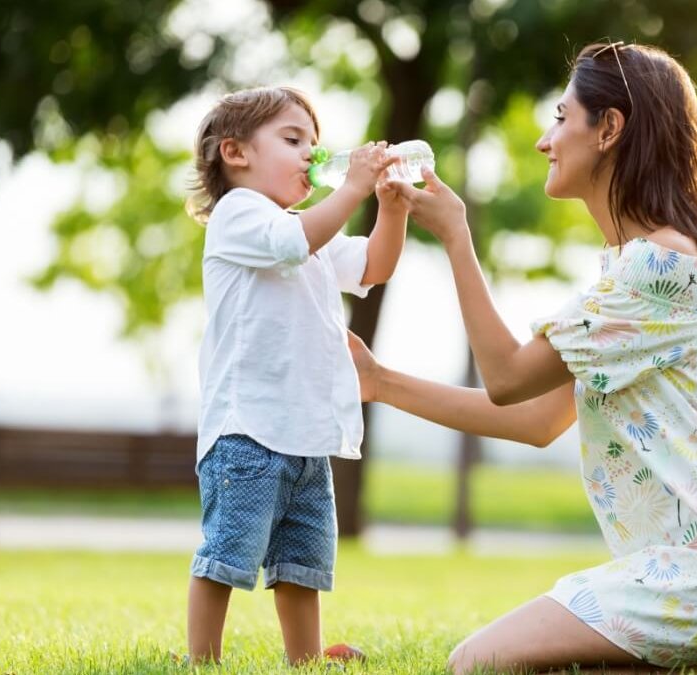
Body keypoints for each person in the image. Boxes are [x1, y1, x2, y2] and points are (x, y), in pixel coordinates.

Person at [358, 43, 697, 674]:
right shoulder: (651, 265)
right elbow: (536, 419)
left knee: (478, 663)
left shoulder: (655, 268)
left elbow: (507, 377)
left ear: (609, 128)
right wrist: (378, 381)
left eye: (560, 117)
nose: (545, 141)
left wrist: (456, 234)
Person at [185, 85, 405, 666]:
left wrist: (392, 207)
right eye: (292, 139)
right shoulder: (239, 215)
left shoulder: (310, 232)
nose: (312, 153)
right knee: (227, 554)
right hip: (247, 430)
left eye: (314, 141)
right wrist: (352, 187)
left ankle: (303, 660)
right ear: (236, 152)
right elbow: (293, 242)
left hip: (304, 434)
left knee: (302, 563)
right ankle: (202, 659)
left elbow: (374, 266)